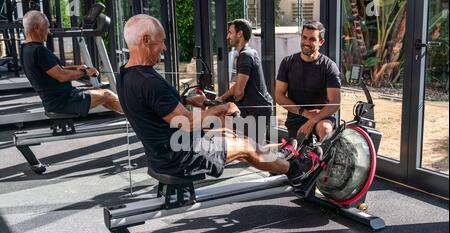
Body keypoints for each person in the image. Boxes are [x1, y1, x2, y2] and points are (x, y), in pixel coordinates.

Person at [117, 14, 321, 189]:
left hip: (163, 153)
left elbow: (152, 104)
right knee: (246, 147)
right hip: (180, 157)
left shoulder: (126, 74)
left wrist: (187, 99)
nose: (164, 47)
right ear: (145, 39)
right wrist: (222, 107)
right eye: (161, 41)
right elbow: (186, 123)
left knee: (229, 133)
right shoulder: (150, 82)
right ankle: (296, 171)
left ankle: (279, 153)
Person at [21, 10, 123, 117]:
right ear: (36, 27)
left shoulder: (26, 49)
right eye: (46, 27)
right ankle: (138, 117)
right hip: (63, 102)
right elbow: (62, 76)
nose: (48, 31)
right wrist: (85, 73)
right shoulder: (39, 50)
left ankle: (131, 119)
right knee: (107, 95)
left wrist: (77, 68)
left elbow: (57, 69)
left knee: (101, 93)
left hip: (57, 99)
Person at [275, 20, 341, 143]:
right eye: (304, 37)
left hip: (322, 116)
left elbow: (335, 102)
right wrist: (305, 113)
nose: (306, 42)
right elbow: (279, 96)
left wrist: (313, 119)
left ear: (321, 42)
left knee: (325, 129)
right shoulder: (287, 63)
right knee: (296, 158)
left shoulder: (329, 66)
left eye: (312, 39)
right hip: (297, 116)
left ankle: (326, 161)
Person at [217, 19, 273, 144]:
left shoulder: (245, 56)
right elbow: (238, 86)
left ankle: (287, 151)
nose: (227, 36)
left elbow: (238, 93)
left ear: (239, 34)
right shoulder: (248, 52)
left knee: (256, 152)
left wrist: (231, 100)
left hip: (258, 109)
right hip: (254, 107)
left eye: (230, 33)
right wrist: (221, 98)